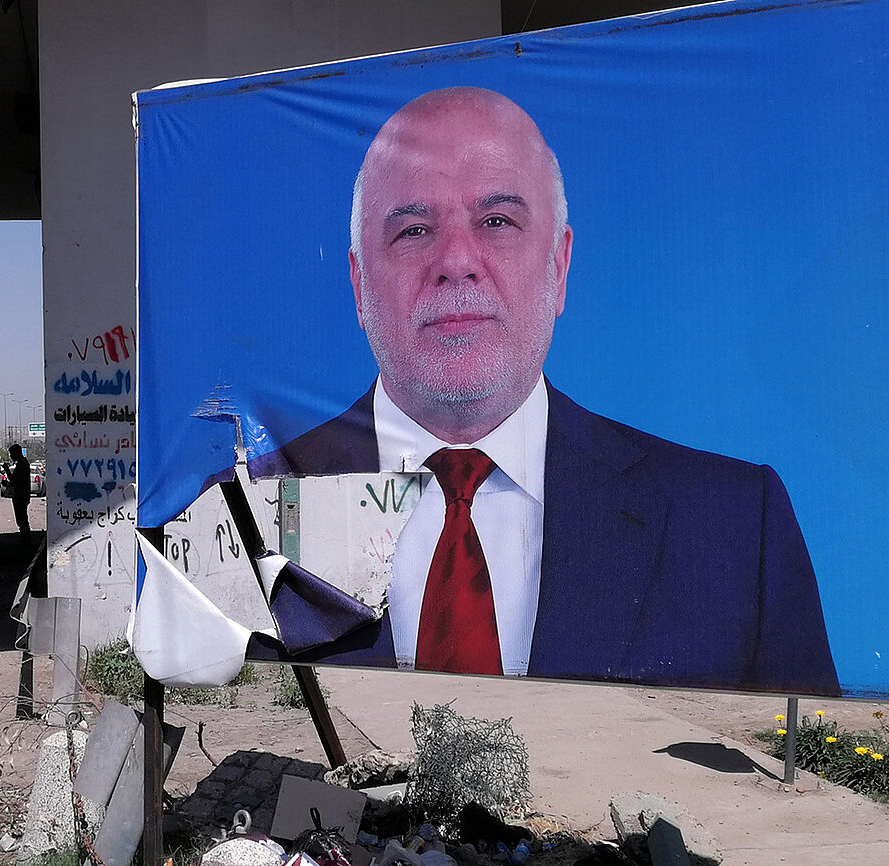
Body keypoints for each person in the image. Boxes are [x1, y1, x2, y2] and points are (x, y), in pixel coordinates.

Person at [245, 86, 839, 695]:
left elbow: (807, 754)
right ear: (358, 283)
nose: (456, 260)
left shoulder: (735, 526)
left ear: (559, 265)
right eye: (414, 230)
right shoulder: (245, 519)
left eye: (496, 221)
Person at [5, 443, 32, 547]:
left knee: (22, 520)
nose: (11, 456)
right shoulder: (23, 463)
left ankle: (26, 542)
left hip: (20, 496)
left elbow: (15, 480)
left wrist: (7, 470)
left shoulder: (21, 465)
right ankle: (25, 541)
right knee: (22, 520)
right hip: (22, 495)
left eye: (12, 454)